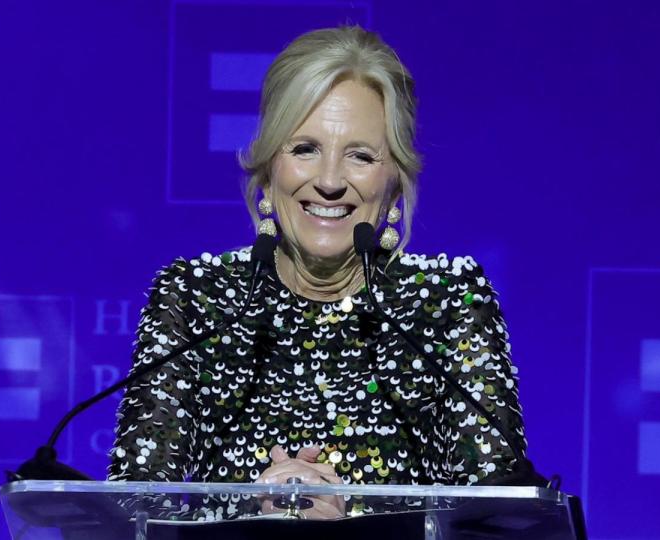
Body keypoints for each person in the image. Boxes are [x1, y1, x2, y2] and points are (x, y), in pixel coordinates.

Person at [108, 26, 540, 519]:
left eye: (360, 155)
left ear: (394, 181)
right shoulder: (196, 299)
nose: (330, 181)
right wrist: (250, 520)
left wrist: (353, 520)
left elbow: (499, 520)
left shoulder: (447, 303)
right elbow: (132, 514)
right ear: (268, 170)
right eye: (305, 148)